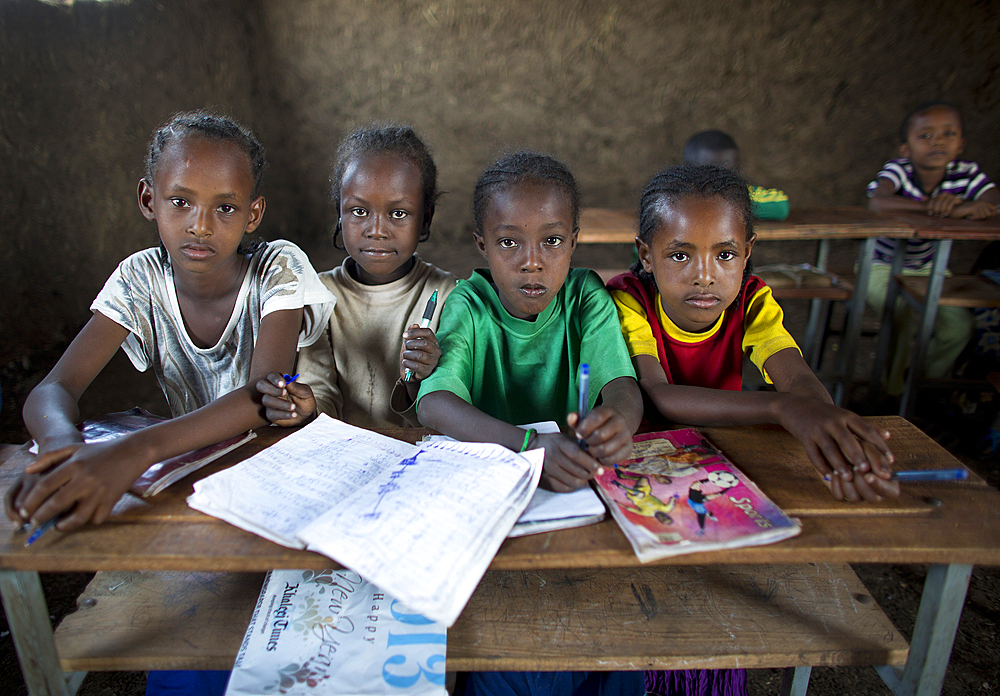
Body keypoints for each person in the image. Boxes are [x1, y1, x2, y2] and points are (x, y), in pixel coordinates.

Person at [3, 111, 335, 696]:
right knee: (190, 661)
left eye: (225, 207)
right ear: (147, 199)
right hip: (191, 483)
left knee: (294, 645)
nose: (200, 224)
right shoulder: (139, 279)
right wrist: (64, 451)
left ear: (253, 213)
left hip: (282, 483)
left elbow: (265, 396)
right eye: (180, 201)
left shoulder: (276, 268)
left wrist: (133, 453)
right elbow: (53, 391)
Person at [418, 151, 644, 696]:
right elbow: (436, 404)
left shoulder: (587, 298)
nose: (532, 263)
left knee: (626, 659)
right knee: (514, 666)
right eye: (509, 242)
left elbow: (622, 386)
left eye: (551, 241)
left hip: (576, 509)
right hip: (490, 523)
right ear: (482, 246)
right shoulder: (467, 305)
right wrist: (530, 445)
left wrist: (619, 422)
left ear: (574, 241)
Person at [607, 164, 899, 505]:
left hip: (720, 452)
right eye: (680, 255)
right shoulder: (630, 299)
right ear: (646, 255)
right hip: (644, 457)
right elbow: (659, 396)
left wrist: (827, 431)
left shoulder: (752, 301)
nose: (704, 275)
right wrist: (782, 407)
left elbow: (797, 379)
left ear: (747, 253)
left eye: (725, 254)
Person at [257, 124, 457, 428]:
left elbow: (451, 407)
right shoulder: (319, 296)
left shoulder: (447, 294)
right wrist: (307, 407)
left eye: (398, 214)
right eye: (359, 211)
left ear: (425, 221)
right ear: (339, 213)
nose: (376, 230)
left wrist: (420, 380)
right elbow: (320, 388)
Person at [866, 101, 1000, 396]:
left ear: (961, 143)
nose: (937, 141)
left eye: (948, 134)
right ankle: (891, 393)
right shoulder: (898, 170)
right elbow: (878, 202)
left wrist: (969, 207)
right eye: (925, 136)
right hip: (881, 264)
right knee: (898, 313)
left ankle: (923, 386)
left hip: (928, 267)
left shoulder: (966, 174)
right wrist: (934, 206)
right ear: (906, 149)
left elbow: (993, 202)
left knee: (958, 327)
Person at [683, 129, 789, 220]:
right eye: (710, 174)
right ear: (688, 169)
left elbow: (780, 205)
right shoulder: (676, 195)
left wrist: (727, 202)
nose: (721, 180)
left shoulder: (739, 192)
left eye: (730, 173)